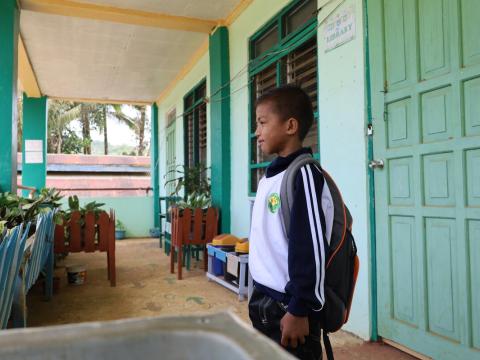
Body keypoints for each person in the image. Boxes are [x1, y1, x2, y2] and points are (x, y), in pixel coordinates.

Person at [249, 85, 330, 360]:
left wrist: (299, 308)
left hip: (289, 308)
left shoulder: (304, 174)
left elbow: (311, 248)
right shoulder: (269, 178)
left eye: (262, 123)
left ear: (290, 126)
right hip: (263, 300)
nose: (257, 132)